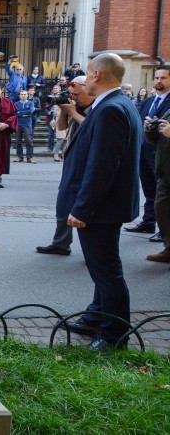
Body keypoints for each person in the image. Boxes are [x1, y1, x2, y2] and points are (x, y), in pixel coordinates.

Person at [59, 53, 141, 351]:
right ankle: (96, 316)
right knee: (100, 267)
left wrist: (83, 209)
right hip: (108, 205)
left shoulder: (110, 109)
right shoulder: (117, 104)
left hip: (101, 208)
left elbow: (103, 166)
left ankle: (114, 334)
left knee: (106, 271)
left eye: (88, 72)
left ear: (96, 75)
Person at [37, 75, 93, 256]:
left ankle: (93, 251)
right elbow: (61, 128)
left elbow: (93, 128)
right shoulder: (75, 106)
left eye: (75, 92)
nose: (72, 97)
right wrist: (64, 110)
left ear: (87, 88)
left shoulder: (98, 108)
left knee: (88, 207)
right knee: (63, 202)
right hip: (71, 159)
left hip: (88, 161)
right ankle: (61, 243)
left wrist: (74, 112)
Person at [124, 66, 170, 242]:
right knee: (149, 189)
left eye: (163, 78)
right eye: (157, 78)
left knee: (163, 193)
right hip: (144, 150)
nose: (158, 81)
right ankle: (148, 221)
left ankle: (164, 228)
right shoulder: (148, 102)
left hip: (162, 153)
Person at [144, 97, 170, 264]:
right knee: (161, 210)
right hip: (164, 172)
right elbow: (156, 140)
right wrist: (150, 130)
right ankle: (169, 248)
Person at [14, 90, 36, 163]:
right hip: (18, 124)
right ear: (19, 95)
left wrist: (20, 113)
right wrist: (23, 114)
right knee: (18, 142)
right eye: (21, 94)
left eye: (24, 94)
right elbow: (14, 113)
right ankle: (20, 157)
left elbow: (31, 111)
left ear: (27, 95)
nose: (23, 96)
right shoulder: (16, 104)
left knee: (29, 141)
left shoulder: (31, 103)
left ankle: (29, 157)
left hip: (27, 124)